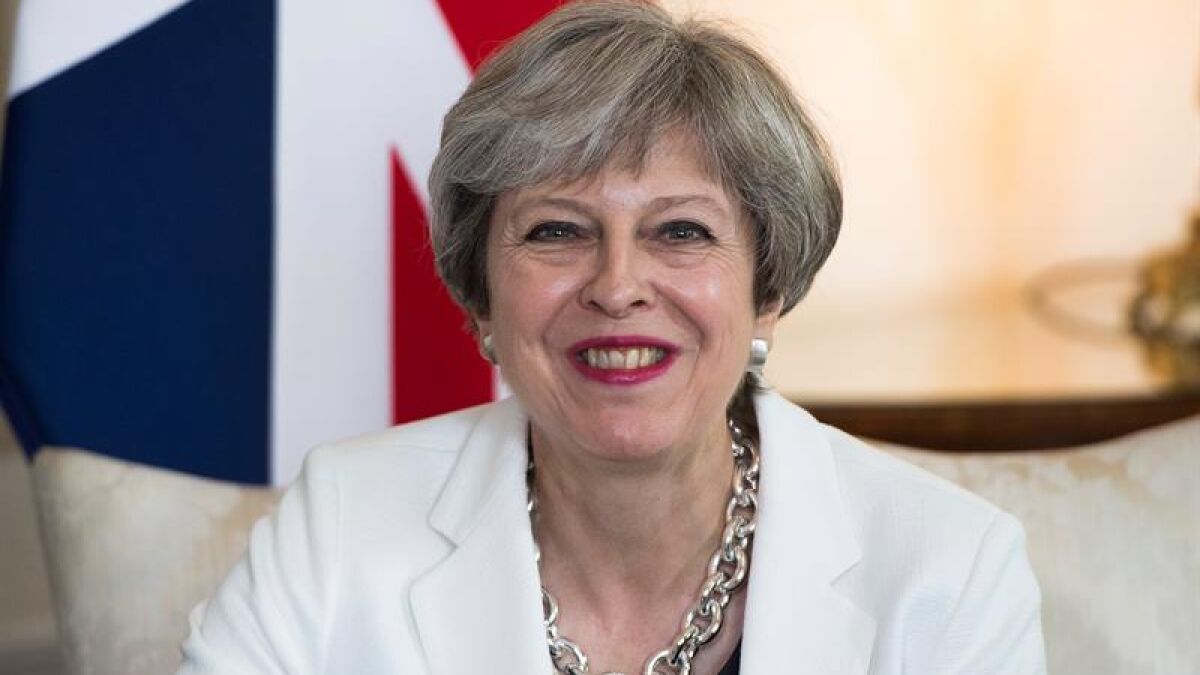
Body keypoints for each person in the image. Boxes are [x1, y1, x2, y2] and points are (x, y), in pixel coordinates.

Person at [178, 2, 1045, 673]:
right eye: (557, 230)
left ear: (768, 290)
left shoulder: (949, 569)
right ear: (482, 299)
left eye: (682, 231)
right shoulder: (339, 527)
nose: (618, 284)